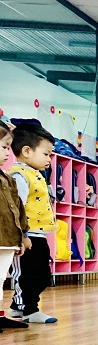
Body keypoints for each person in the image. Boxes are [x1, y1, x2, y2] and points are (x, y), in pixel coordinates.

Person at [8, 123, 56, 324]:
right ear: (27, 151)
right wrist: (22, 236)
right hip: (27, 236)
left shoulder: (36, 174)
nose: (49, 159)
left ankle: (18, 307)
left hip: (39, 234)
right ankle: (28, 309)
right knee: (26, 275)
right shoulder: (19, 175)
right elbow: (16, 208)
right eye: (46, 154)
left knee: (42, 275)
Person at [0, 121, 30, 331]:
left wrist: (22, 236)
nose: (7, 153)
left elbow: (18, 209)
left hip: (7, 238)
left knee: (1, 278)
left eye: (8, 147)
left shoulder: (7, 179)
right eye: (3, 147)